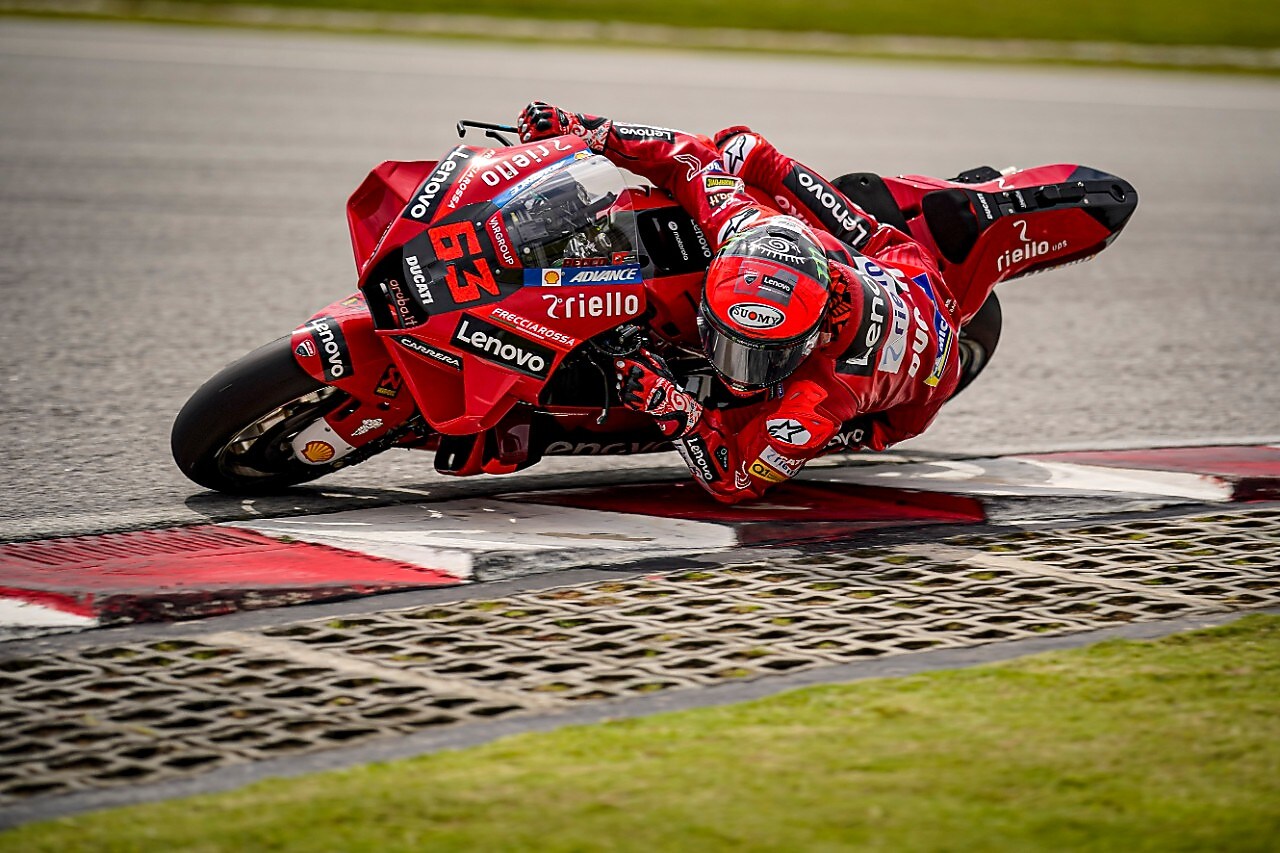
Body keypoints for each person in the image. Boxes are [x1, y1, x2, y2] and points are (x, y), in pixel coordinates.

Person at [517, 102, 970, 505]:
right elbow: (691, 158)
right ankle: (768, 170)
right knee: (742, 149)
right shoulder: (745, 227)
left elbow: (735, 484)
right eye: (727, 345)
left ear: (811, 340)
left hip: (917, 377)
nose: (733, 369)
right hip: (892, 267)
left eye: (760, 355)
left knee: (755, 426)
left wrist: (677, 410)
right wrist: (590, 130)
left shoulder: (819, 399)